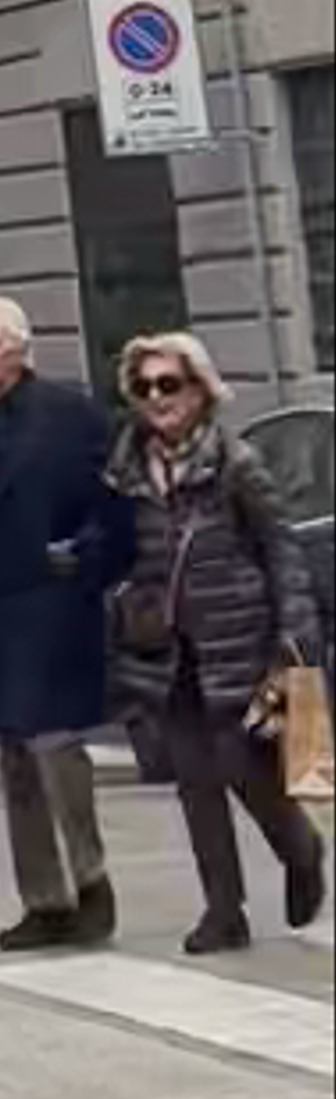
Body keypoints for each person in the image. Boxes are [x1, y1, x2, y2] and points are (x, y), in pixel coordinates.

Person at [0, 292, 137, 949]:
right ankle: (45, 900)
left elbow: (115, 511)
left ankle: (92, 880)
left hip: (56, 604)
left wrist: (87, 561)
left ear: (20, 347)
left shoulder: (73, 415)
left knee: (54, 746)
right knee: (14, 755)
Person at [106, 329, 328, 959]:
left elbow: (280, 549)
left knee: (247, 771)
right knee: (195, 783)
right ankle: (223, 913)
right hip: (166, 654)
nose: (156, 398)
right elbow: (121, 552)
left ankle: (302, 848)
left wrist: (294, 636)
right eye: (144, 387)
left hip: (240, 643)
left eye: (169, 384)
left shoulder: (237, 465)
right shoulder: (124, 469)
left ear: (201, 391)